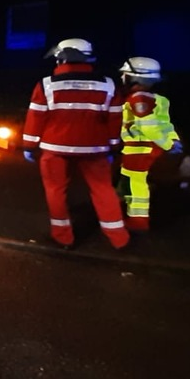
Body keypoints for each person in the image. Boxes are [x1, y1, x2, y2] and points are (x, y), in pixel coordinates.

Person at [22, 38, 129, 250]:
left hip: (55, 148)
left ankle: (63, 237)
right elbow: (115, 119)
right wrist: (113, 146)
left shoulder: (46, 84)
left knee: (56, 191)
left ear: (62, 58)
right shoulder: (109, 84)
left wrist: (29, 145)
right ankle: (119, 238)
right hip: (96, 148)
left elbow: (36, 117)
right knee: (103, 190)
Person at [116, 56, 182, 232]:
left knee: (136, 186)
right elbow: (166, 125)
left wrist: (168, 145)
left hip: (139, 149)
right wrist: (173, 142)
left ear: (135, 77)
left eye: (125, 75)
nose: (123, 78)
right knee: (130, 184)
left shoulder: (139, 99)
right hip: (145, 148)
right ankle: (130, 214)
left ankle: (137, 221)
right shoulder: (158, 99)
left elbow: (148, 127)